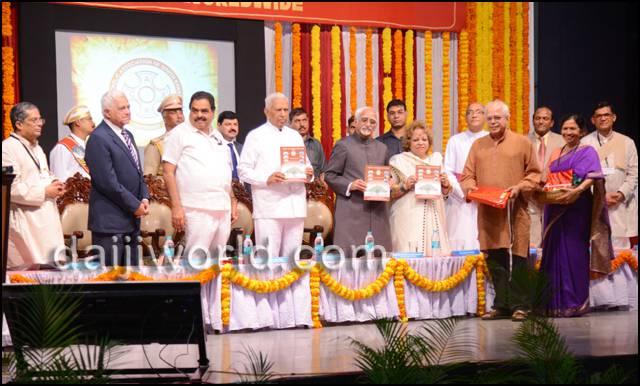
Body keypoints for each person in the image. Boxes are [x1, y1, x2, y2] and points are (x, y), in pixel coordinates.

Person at [460, 99, 541, 321]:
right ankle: (502, 305)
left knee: (519, 258)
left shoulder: (522, 143)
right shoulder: (478, 145)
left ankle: (521, 306)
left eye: (498, 117)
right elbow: (467, 176)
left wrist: (520, 187)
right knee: (495, 259)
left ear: (507, 118)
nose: (493, 122)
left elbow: (535, 174)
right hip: (489, 213)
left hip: (515, 210)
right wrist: (471, 189)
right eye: (490, 118)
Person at [540, 114, 613, 317]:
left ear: (581, 131)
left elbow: (593, 176)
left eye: (572, 129)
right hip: (554, 207)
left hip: (577, 208)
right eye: (565, 129)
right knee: (553, 252)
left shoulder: (587, 151)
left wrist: (577, 191)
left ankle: (575, 302)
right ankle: (553, 304)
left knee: (574, 252)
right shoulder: (556, 152)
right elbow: (549, 178)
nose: (568, 133)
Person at [163, 92, 238, 261]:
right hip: (196, 209)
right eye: (194, 110)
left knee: (218, 262)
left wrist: (232, 200)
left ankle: (215, 290)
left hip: (222, 209)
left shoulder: (218, 136)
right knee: (195, 262)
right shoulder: (179, 133)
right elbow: (168, 172)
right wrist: (176, 207)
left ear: (212, 112)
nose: (199, 115)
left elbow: (225, 172)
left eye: (204, 111)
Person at [237, 93, 313, 259]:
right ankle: (268, 285)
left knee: (293, 259)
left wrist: (309, 173)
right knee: (269, 258)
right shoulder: (255, 136)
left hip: (295, 206)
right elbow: (243, 170)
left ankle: (292, 286)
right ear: (266, 111)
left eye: (286, 110)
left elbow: (305, 163)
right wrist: (266, 178)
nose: (283, 114)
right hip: (269, 207)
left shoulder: (294, 135)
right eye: (278, 109)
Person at [85, 90, 149, 266]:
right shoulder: (98, 138)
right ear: (107, 112)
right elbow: (107, 182)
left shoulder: (128, 135)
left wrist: (144, 197)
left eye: (128, 107)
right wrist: (134, 205)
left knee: (132, 280)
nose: (128, 111)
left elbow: (138, 172)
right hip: (110, 223)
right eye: (122, 108)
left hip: (131, 221)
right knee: (110, 282)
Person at [2, 102, 66, 267]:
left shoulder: (36, 148)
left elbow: (42, 173)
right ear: (19, 124)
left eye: (40, 120)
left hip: (44, 220)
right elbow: (10, 188)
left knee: (46, 274)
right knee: (25, 275)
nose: (40, 124)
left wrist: (54, 182)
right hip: (23, 222)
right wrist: (45, 192)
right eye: (34, 120)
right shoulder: (7, 149)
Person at [325, 106, 392, 257]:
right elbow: (330, 175)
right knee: (350, 259)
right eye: (364, 120)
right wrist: (350, 185)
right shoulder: (343, 145)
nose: (368, 124)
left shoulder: (382, 148)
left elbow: (387, 176)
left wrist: (389, 183)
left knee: (379, 259)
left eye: (372, 122)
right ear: (355, 122)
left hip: (378, 213)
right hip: (351, 211)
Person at [389, 120, 452, 255]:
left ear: (429, 142)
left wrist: (445, 185)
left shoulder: (436, 160)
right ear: (408, 142)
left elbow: (445, 193)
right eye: (416, 139)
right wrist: (405, 185)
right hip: (407, 217)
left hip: (433, 215)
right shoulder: (398, 161)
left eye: (424, 139)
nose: (420, 142)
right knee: (408, 256)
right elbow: (390, 193)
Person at [582, 101, 637, 249]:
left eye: (606, 115)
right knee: (595, 253)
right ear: (593, 120)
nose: (603, 118)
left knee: (621, 256)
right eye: (598, 116)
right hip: (595, 205)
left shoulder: (627, 142)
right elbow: (581, 177)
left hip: (621, 205)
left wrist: (620, 194)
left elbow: (634, 174)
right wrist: (600, 196)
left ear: (614, 117)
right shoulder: (585, 144)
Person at [443, 102, 488, 250]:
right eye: (470, 112)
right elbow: (448, 170)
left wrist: (482, 191)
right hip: (460, 199)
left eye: (478, 111)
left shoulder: (490, 139)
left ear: (485, 116)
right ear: (466, 117)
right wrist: (463, 192)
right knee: (459, 240)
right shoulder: (455, 140)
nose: (474, 115)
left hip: (485, 198)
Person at [527, 107, 564, 247]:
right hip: (531, 195)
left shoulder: (562, 141)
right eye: (537, 118)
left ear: (552, 122)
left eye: (545, 118)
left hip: (555, 196)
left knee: (554, 239)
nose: (541, 121)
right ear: (533, 121)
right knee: (532, 241)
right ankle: (533, 267)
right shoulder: (523, 141)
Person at [49, 105, 95, 181]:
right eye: (89, 119)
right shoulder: (62, 148)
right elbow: (60, 179)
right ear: (78, 122)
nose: (93, 123)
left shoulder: (83, 146)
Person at [143, 94, 184, 176]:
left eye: (181, 111)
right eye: (173, 112)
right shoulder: (156, 145)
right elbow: (149, 180)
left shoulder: (190, 140)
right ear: (164, 117)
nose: (179, 116)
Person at [289, 107, 326, 178]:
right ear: (290, 124)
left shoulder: (316, 144)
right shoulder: (285, 143)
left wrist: (321, 184)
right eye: (297, 121)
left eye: (304, 120)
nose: (302, 124)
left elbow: (323, 170)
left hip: (313, 186)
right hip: (292, 186)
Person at [215, 110, 243, 180]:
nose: (233, 128)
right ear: (219, 125)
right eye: (228, 124)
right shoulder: (213, 146)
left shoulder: (241, 148)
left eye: (235, 124)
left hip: (242, 190)